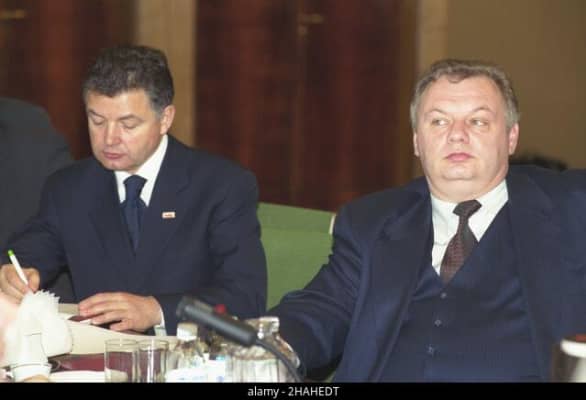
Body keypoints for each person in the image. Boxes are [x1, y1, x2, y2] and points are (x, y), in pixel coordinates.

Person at [269, 59, 586, 382]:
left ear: (511, 137)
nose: (457, 135)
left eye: (478, 121)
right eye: (438, 121)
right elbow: (322, 309)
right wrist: (267, 350)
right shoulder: (372, 220)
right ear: (417, 141)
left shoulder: (573, 206)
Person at [0, 45, 267, 335]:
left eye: (128, 124)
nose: (109, 138)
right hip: (96, 356)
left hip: (185, 354)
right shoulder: (68, 188)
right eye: (97, 121)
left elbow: (245, 296)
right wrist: (15, 272)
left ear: (165, 119)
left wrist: (157, 310)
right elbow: (28, 250)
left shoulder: (221, 186)